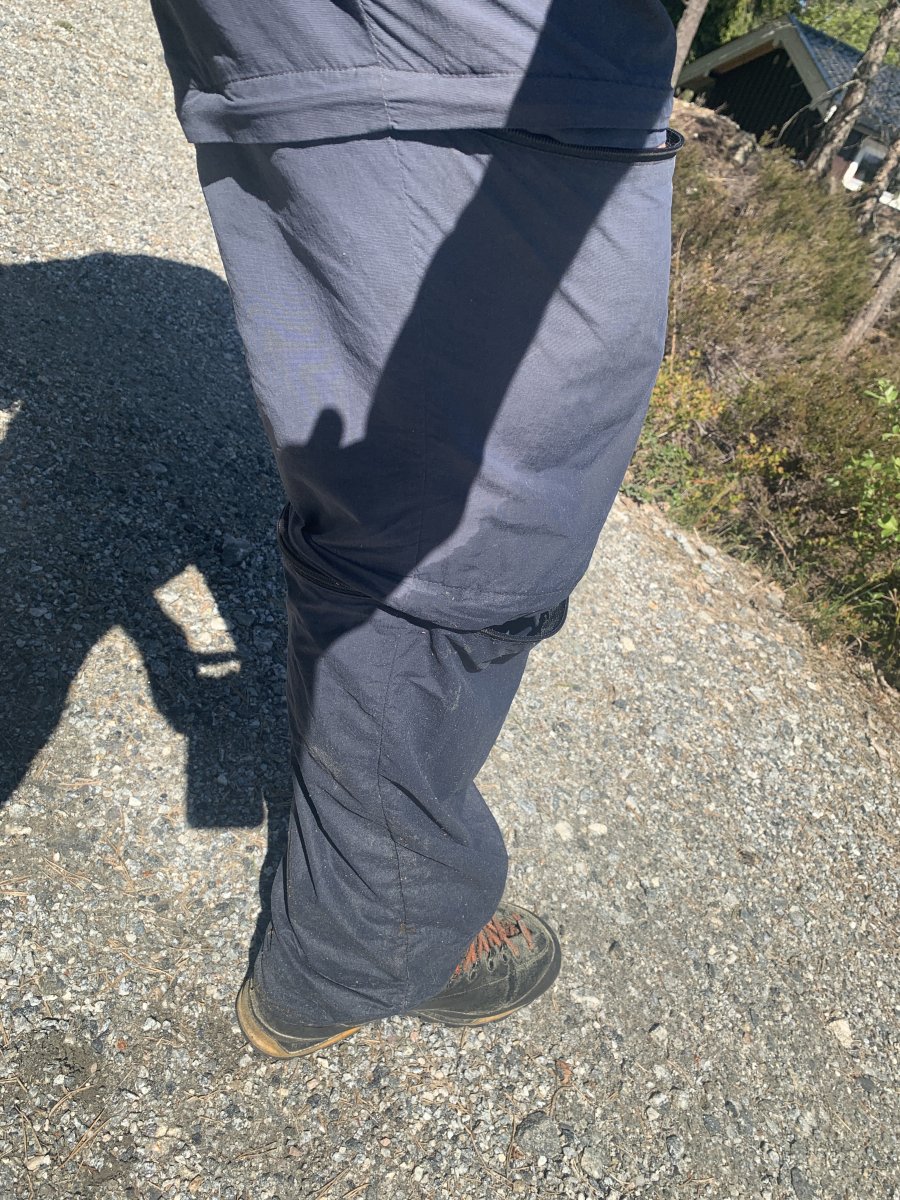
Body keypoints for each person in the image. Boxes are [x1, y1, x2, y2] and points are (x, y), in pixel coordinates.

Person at [148, 0, 682, 1059]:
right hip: (502, 51)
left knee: (400, 471)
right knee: (473, 528)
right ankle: (359, 952)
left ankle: (360, 914)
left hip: (470, 54)